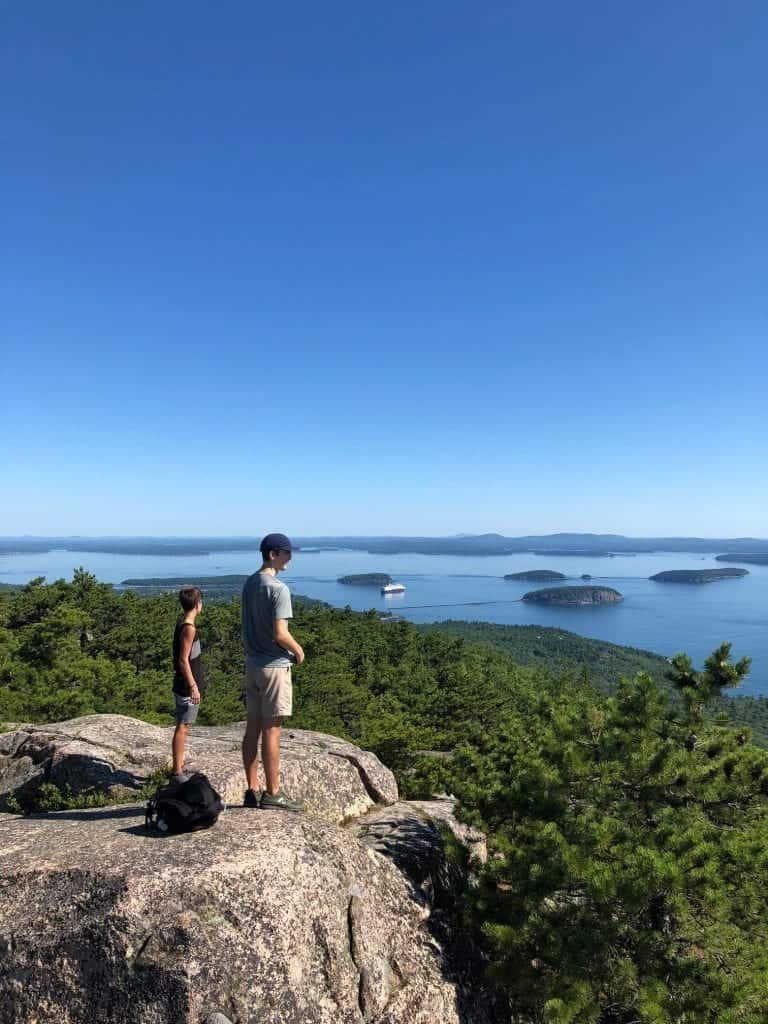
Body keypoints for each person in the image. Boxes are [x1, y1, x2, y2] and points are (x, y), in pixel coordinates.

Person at [241, 533, 305, 811]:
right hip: (274, 667)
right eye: (287, 553)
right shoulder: (278, 589)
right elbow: (281, 633)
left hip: (253, 665)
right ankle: (273, 793)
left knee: (252, 728)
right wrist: (299, 650)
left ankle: (252, 790)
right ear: (272, 554)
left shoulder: (249, 583)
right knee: (272, 731)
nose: (290, 558)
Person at [171, 586, 204, 780]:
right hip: (186, 685)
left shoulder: (182, 621)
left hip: (183, 682)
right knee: (183, 726)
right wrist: (193, 686)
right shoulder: (189, 628)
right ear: (197, 604)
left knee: (182, 725)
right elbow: (183, 660)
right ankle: (177, 771)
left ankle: (178, 764)